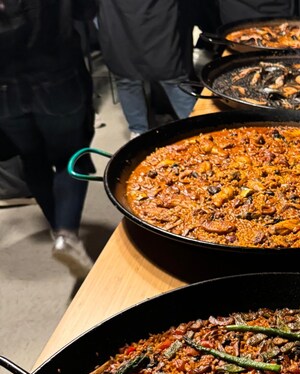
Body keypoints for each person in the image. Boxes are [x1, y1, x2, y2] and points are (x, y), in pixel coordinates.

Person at [0, 0, 96, 278]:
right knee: (71, 155)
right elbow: (86, 10)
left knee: (31, 157)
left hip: (4, 90)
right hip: (57, 76)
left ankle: (59, 229)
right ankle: (66, 234)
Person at [96, 0, 197, 138]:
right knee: (172, 80)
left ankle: (138, 132)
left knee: (128, 81)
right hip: (157, 18)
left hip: (119, 18)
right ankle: (199, 129)